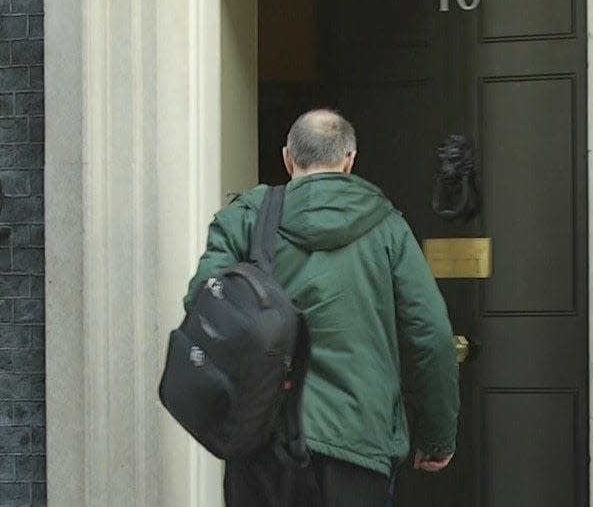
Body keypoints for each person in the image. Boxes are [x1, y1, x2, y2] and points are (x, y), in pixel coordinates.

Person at [183, 109, 460, 507]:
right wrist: (436, 436)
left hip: (263, 441)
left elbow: (201, 302)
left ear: (287, 158)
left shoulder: (245, 217)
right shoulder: (387, 227)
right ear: (349, 159)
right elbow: (430, 334)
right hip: (358, 444)